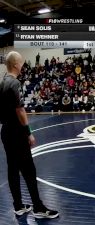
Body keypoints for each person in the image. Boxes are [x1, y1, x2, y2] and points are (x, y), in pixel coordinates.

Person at [0, 51, 58, 219]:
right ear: (16, 64)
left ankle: (18, 205)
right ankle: (38, 207)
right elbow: (20, 110)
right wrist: (28, 132)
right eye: (22, 63)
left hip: (6, 131)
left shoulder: (1, 82)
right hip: (17, 132)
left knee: (12, 169)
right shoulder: (15, 83)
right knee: (29, 170)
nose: (23, 65)